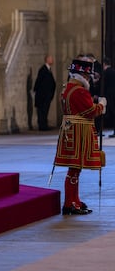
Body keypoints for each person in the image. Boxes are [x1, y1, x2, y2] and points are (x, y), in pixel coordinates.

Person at [55, 55, 106, 215]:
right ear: (82, 76)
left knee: (75, 169)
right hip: (79, 133)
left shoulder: (68, 88)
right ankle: (69, 202)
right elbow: (90, 111)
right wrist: (101, 105)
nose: (89, 79)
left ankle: (74, 200)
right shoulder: (80, 91)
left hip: (71, 131)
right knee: (74, 169)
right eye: (87, 76)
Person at [33, 54, 56, 131]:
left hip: (47, 95)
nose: (52, 60)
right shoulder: (43, 69)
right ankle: (42, 125)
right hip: (42, 95)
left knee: (45, 110)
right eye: (51, 59)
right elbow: (39, 81)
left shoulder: (48, 69)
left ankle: (44, 124)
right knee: (42, 110)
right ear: (47, 60)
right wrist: (35, 91)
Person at [103, 57, 115, 138]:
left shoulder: (106, 72)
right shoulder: (113, 71)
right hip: (113, 94)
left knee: (113, 113)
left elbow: (104, 85)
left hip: (109, 95)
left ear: (104, 64)